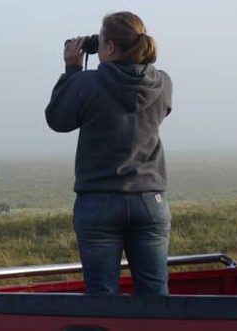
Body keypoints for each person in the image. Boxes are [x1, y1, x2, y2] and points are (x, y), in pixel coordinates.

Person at [45, 11, 172, 296]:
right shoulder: (162, 83)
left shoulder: (88, 83)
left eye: (100, 41)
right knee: (156, 298)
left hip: (99, 200)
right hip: (150, 200)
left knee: (102, 300)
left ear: (111, 47)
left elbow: (57, 119)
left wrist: (72, 70)